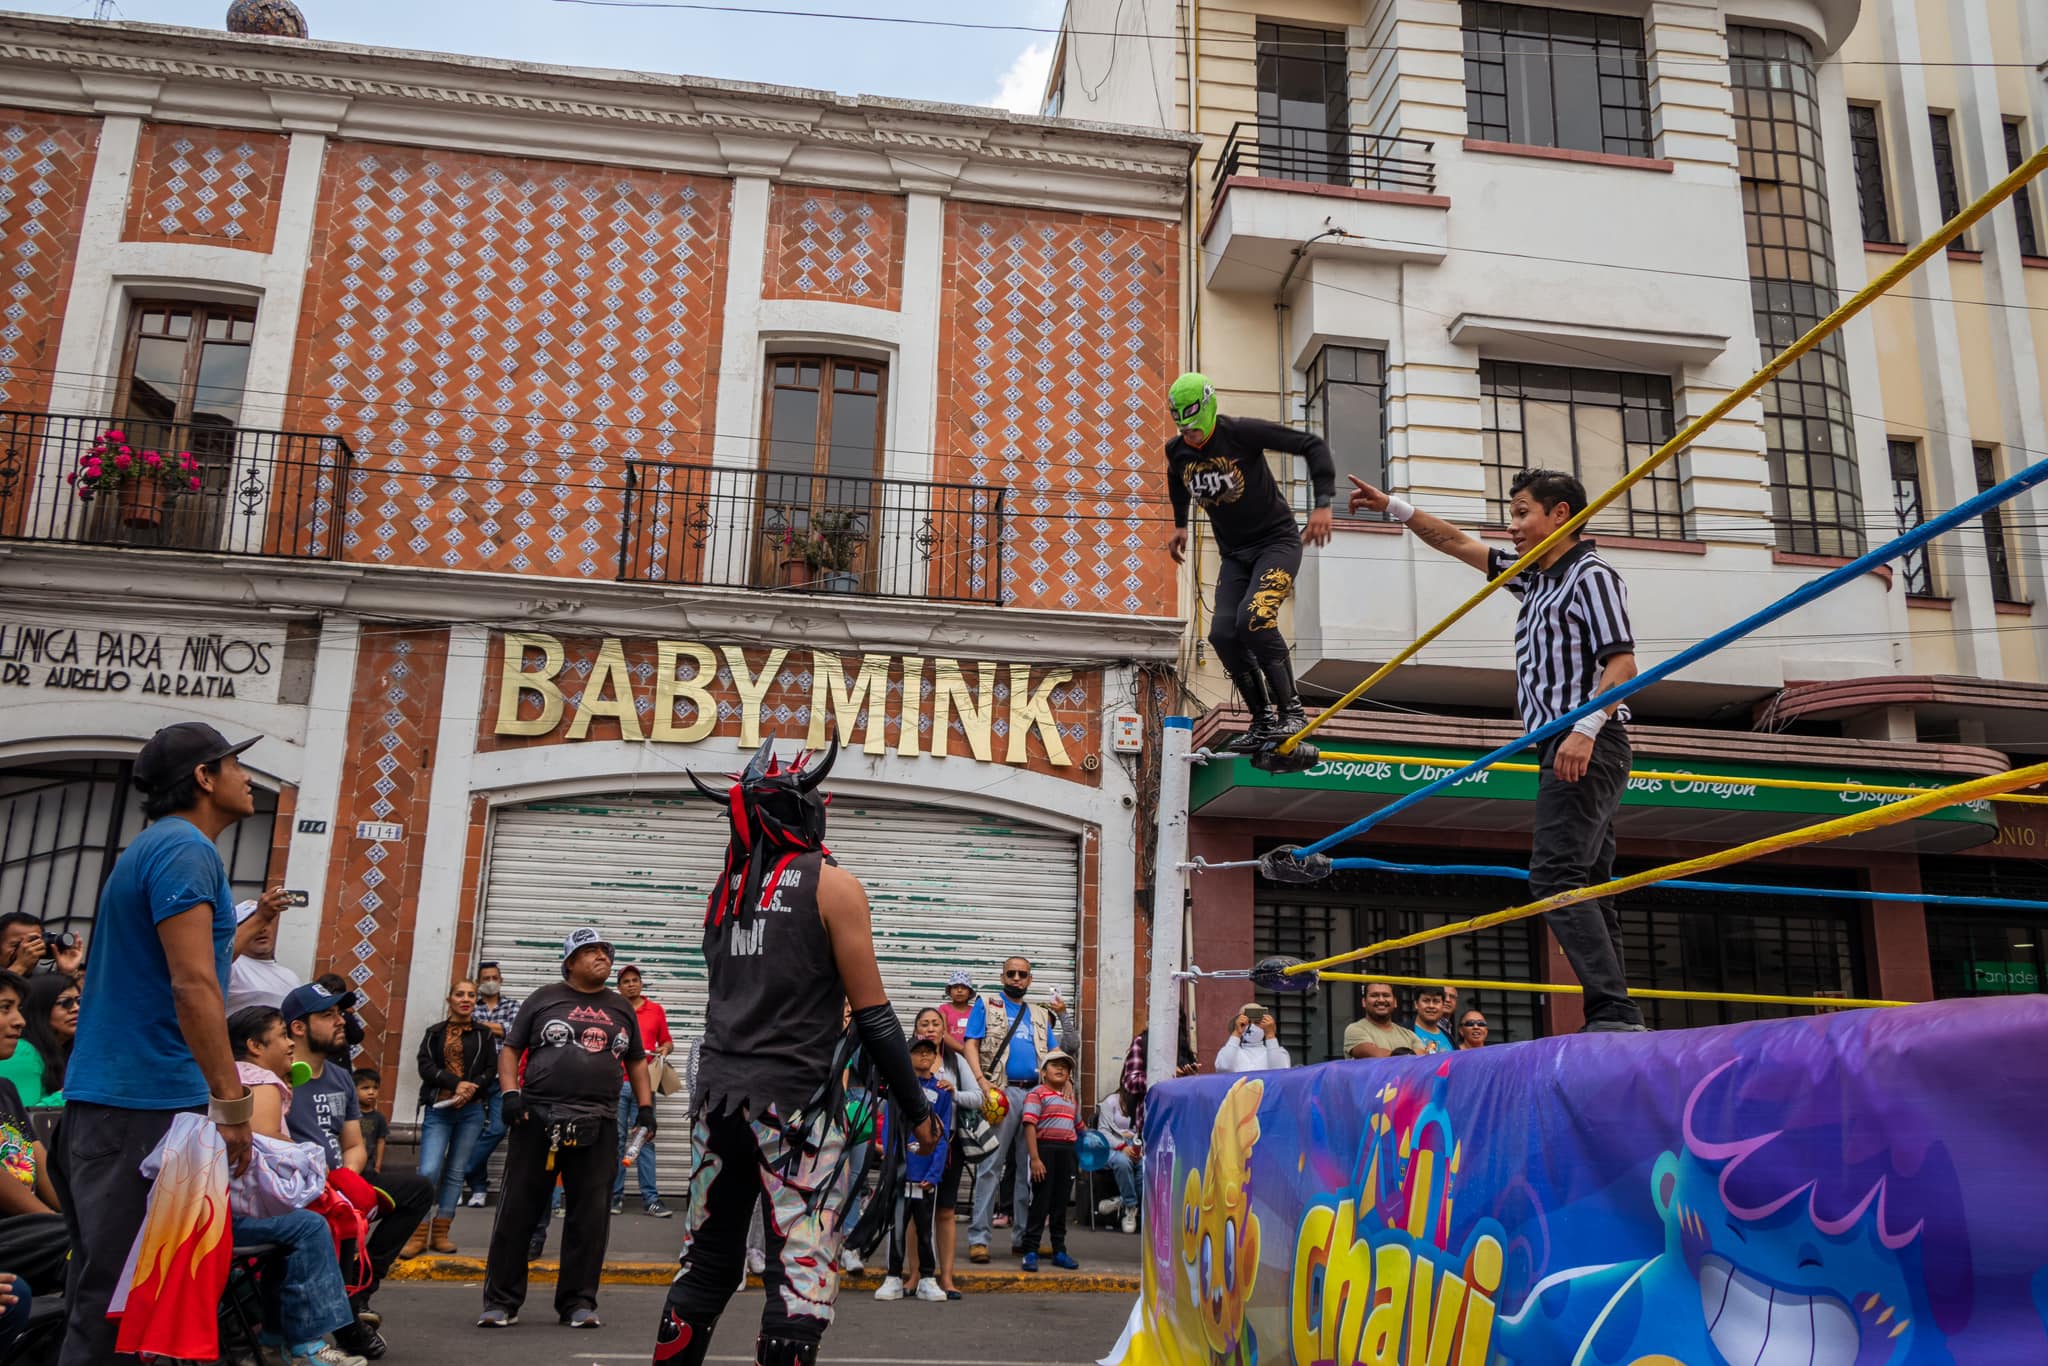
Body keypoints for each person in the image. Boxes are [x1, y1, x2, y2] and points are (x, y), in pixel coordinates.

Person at [654, 739, 939, 1366]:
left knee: (706, 1261)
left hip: (717, 1101)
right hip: (797, 1109)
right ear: (807, 812)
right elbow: (874, 1016)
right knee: (801, 1265)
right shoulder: (833, 886)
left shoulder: (725, 889)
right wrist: (918, 1111)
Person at [1350, 468, 1647, 1032]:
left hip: (1587, 738)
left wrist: (1584, 729)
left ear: (1560, 514)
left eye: (1521, 513)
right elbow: (1457, 542)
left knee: (1556, 877)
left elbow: (1624, 665)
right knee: (1589, 883)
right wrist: (1394, 506)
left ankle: (1612, 1010)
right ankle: (1617, 1010)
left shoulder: (1592, 574)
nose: (1511, 526)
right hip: (1564, 742)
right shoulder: (1535, 579)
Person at [52, 721, 261, 1366]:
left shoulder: (158, 847)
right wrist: (232, 1105)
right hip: (140, 1107)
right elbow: (194, 983)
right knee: (120, 1305)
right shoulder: (184, 849)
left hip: (128, 1103)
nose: (246, 777)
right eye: (234, 765)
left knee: (123, 1300)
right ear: (204, 777)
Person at [478, 928, 652, 1331]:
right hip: (536, 1118)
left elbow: (638, 1061)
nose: (602, 958)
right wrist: (509, 1094)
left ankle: (578, 1303)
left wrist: (645, 1109)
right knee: (518, 1212)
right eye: (590, 952)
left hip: (600, 1123)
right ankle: (501, 1302)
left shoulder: (620, 1007)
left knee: (589, 1219)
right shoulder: (543, 999)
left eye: (605, 952)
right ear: (570, 962)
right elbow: (511, 1049)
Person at [1164, 371, 1336, 754]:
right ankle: (1261, 721)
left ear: (1208, 409)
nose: (1190, 437)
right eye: (1185, 431)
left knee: (1254, 618)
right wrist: (1180, 526)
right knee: (1223, 634)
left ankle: (1292, 712)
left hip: (1276, 543)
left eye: (1195, 429)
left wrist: (1323, 504)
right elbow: (1177, 481)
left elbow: (1312, 445)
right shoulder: (1176, 451)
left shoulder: (1240, 433)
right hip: (1236, 555)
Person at [282, 980, 433, 1356]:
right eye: (328, 1015)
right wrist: (329, 1188)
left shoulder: (338, 1077)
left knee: (418, 1189)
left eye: (340, 1013)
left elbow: (353, 1143)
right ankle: (344, 1319)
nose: (340, 1022)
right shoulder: (281, 1077)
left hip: (342, 1181)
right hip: (301, 1188)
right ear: (298, 1027)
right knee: (333, 1221)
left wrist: (347, 1181)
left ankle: (363, 1289)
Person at [228, 1005, 369, 1366]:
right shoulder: (260, 1081)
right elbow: (263, 1140)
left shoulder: (239, 1077)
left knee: (293, 1231)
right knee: (309, 1226)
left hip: (226, 1210)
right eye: (282, 1037)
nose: (291, 1045)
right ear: (255, 1046)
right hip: (237, 1216)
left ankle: (275, 1336)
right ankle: (306, 1344)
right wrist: (309, 1159)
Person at [968, 956, 1074, 1265]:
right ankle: (979, 1239)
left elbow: (1055, 1053)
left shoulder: (1040, 1014)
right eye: (1011, 973)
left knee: (1029, 1172)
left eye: (1022, 974)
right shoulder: (987, 1005)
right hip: (1001, 1092)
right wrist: (981, 1082)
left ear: (1029, 980)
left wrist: (1065, 1080)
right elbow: (971, 1044)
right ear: (1002, 976)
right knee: (990, 1166)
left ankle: (1023, 1240)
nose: (1017, 978)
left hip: (1036, 1095)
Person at [407, 978, 496, 1257]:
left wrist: (472, 1087)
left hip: (470, 1111)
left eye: (471, 995)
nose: (466, 999)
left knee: (457, 1172)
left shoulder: (484, 1034)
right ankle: (418, 1233)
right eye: (460, 994)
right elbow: (425, 1066)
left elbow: (491, 1069)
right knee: (429, 1171)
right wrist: (454, 1082)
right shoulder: (435, 1033)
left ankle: (441, 1233)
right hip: (439, 1108)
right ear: (450, 999)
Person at [0, 972, 72, 1302]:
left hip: (34, 1230)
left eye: (17, 1008)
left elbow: (39, 1160)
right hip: (15, 1232)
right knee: (87, 1244)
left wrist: (72, 1214)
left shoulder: (5, 1090)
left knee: (103, 1231)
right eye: (5, 1008)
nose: (18, 1021)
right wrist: (60, 1226)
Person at [873, 1033, 954, 1303]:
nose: (923, 1056)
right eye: (917, 1051)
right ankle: (893, 1277)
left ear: (935, 1057)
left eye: (928, 1052)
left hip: (924, 1177)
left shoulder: (942, 1092)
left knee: (924, 1229)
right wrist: (891, 1165)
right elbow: (888, 1129)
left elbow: (942, 1135)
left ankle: (927, 1278)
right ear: (907, 1056)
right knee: (897, 1226)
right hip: (901, 1172)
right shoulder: (898, 1089)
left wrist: (934, 1173)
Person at [910, 1006, 979, 1298]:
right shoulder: (907, 1059)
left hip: (948, 1145)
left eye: (935, 1023)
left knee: (946, 1211)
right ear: (916, 1031)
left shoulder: (956, 1060)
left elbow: (977, 1098)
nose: (929, 1028)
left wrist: (953, 1093)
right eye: (924, 1024)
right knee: (915, 1212)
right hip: (915, 1146)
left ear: (943, 1030)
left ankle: (947, 1278)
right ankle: (914, 1275)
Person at [611, 964, 673, 1218]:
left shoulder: (655, 1011)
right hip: (615, 1083)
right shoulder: (614, 1010)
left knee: (645, 1141)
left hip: (644, 1084)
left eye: (635, 980)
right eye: (625, 981)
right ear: (619, 987)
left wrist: (665, 1050)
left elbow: (667, 1041)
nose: (631, 984)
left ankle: (651, 1199)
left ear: (641, 983)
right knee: (615, 1141)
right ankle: (614, 1197)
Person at [1018, 1049, 1083, 1273]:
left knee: (1060, 1205)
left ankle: (1060, 1251)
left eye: (1064, 1067)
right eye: (1054, 1065)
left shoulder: (1070, 1097)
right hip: (1044, 1151)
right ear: (1044, 1072)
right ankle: (1030, 1251)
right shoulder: (1037, 1094)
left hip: (1067, 1152)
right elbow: (1029, 1126)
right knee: (1040, 1203)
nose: (1060, 1069)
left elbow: (1080, 1127)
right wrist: (1035, 1159)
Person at [462, 961, 522, 1208]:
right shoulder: (470, 1005)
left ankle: (459, 1171)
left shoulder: (511, 1006)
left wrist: (478, 1026)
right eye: (485, 977)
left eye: (494, 977)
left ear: (501, 980)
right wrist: (493, 1029)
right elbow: (463, 1032)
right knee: (472, 1132)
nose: (490, 981)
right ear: (478, 982)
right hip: (474, 1079)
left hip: (502, 1078)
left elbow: (513, 1031)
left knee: (497, 1129)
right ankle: (478, 1187)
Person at [0, 973, 77, 1108]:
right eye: (66, 1003)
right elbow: (19, 1121)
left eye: (80, 1001)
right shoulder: (22, 1051)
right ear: (41, 1008)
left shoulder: (67, 1050)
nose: (76, 1009)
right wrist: (71, 1095)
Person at [228, 890, 304, 1013]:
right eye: (253, 924)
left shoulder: (291, 977)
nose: (262, 929)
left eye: (266, 922)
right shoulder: (231, 966)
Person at [1093, 1078, 1141, 1235]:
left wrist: (1140, 1149)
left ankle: (1123, 1201)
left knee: (1146, 1165)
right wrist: (1122, 1146)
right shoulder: (1111, 1101)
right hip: (1111, 1146)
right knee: (1122, 1161)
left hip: (1135, 1145)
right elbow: (1103, 1132)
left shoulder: (1142, 1103)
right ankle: (1131, 1208)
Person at [1344, 982, 1426, 1060]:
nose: (1381, 1000)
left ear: (1395, 1002)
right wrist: (1410, 1055)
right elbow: (1375, 1055)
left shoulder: (1409, 1035)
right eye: (1374, 995)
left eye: (1386, 995)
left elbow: (1422, 1057)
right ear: (1364, 1002)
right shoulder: (1355, 1030)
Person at [1212, 1002, 1289, 1074]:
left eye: (1257, 1022)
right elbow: (1224, 1068)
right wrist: (1237, 1032)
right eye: (1246, 1023)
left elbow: (1280, 1071)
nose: (1252, 1026)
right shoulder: (1229, 1052)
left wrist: (1270, 1035)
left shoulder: (1279, 1052)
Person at [935, 970, 984, 1077]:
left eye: (964, 987)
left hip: (972, 1059)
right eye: (955, 987)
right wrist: (964, 1050)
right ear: (950, 991)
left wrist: (971, 1053)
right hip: (949, 1057)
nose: (959, 990)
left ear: (970, 992)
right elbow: (943, 1033)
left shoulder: (975, 1011)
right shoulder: (944, 1009)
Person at [353, 1070, 389, 1170]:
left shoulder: (379, 1118)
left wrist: (377, 1166)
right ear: (353, 1090)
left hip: (368, 1166)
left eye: (375, 1088)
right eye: (365, 1088)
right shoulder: (349, 1116)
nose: (371, 1092)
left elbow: (381, 1142)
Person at [1409, 985, 1456, 1056]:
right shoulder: (1404, 1031)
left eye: (1436, 1001)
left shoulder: (1449, 1038)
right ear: (1416, 1004)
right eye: (1426, 1001)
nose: (1431, 1006)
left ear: (1443, 1005)